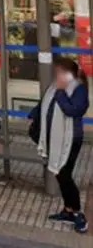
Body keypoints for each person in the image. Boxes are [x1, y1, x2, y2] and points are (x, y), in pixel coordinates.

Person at [39, 57, 89, 234]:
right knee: (60, 174)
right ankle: (68, 210)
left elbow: (74, 110)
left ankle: (78, 213)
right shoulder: (55, 86)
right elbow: (47, 106)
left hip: (71, 140)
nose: (57, 75)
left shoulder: (78, 88)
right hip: (55, 139)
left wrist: (60, 92)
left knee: (64, 174)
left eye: (60, 72)